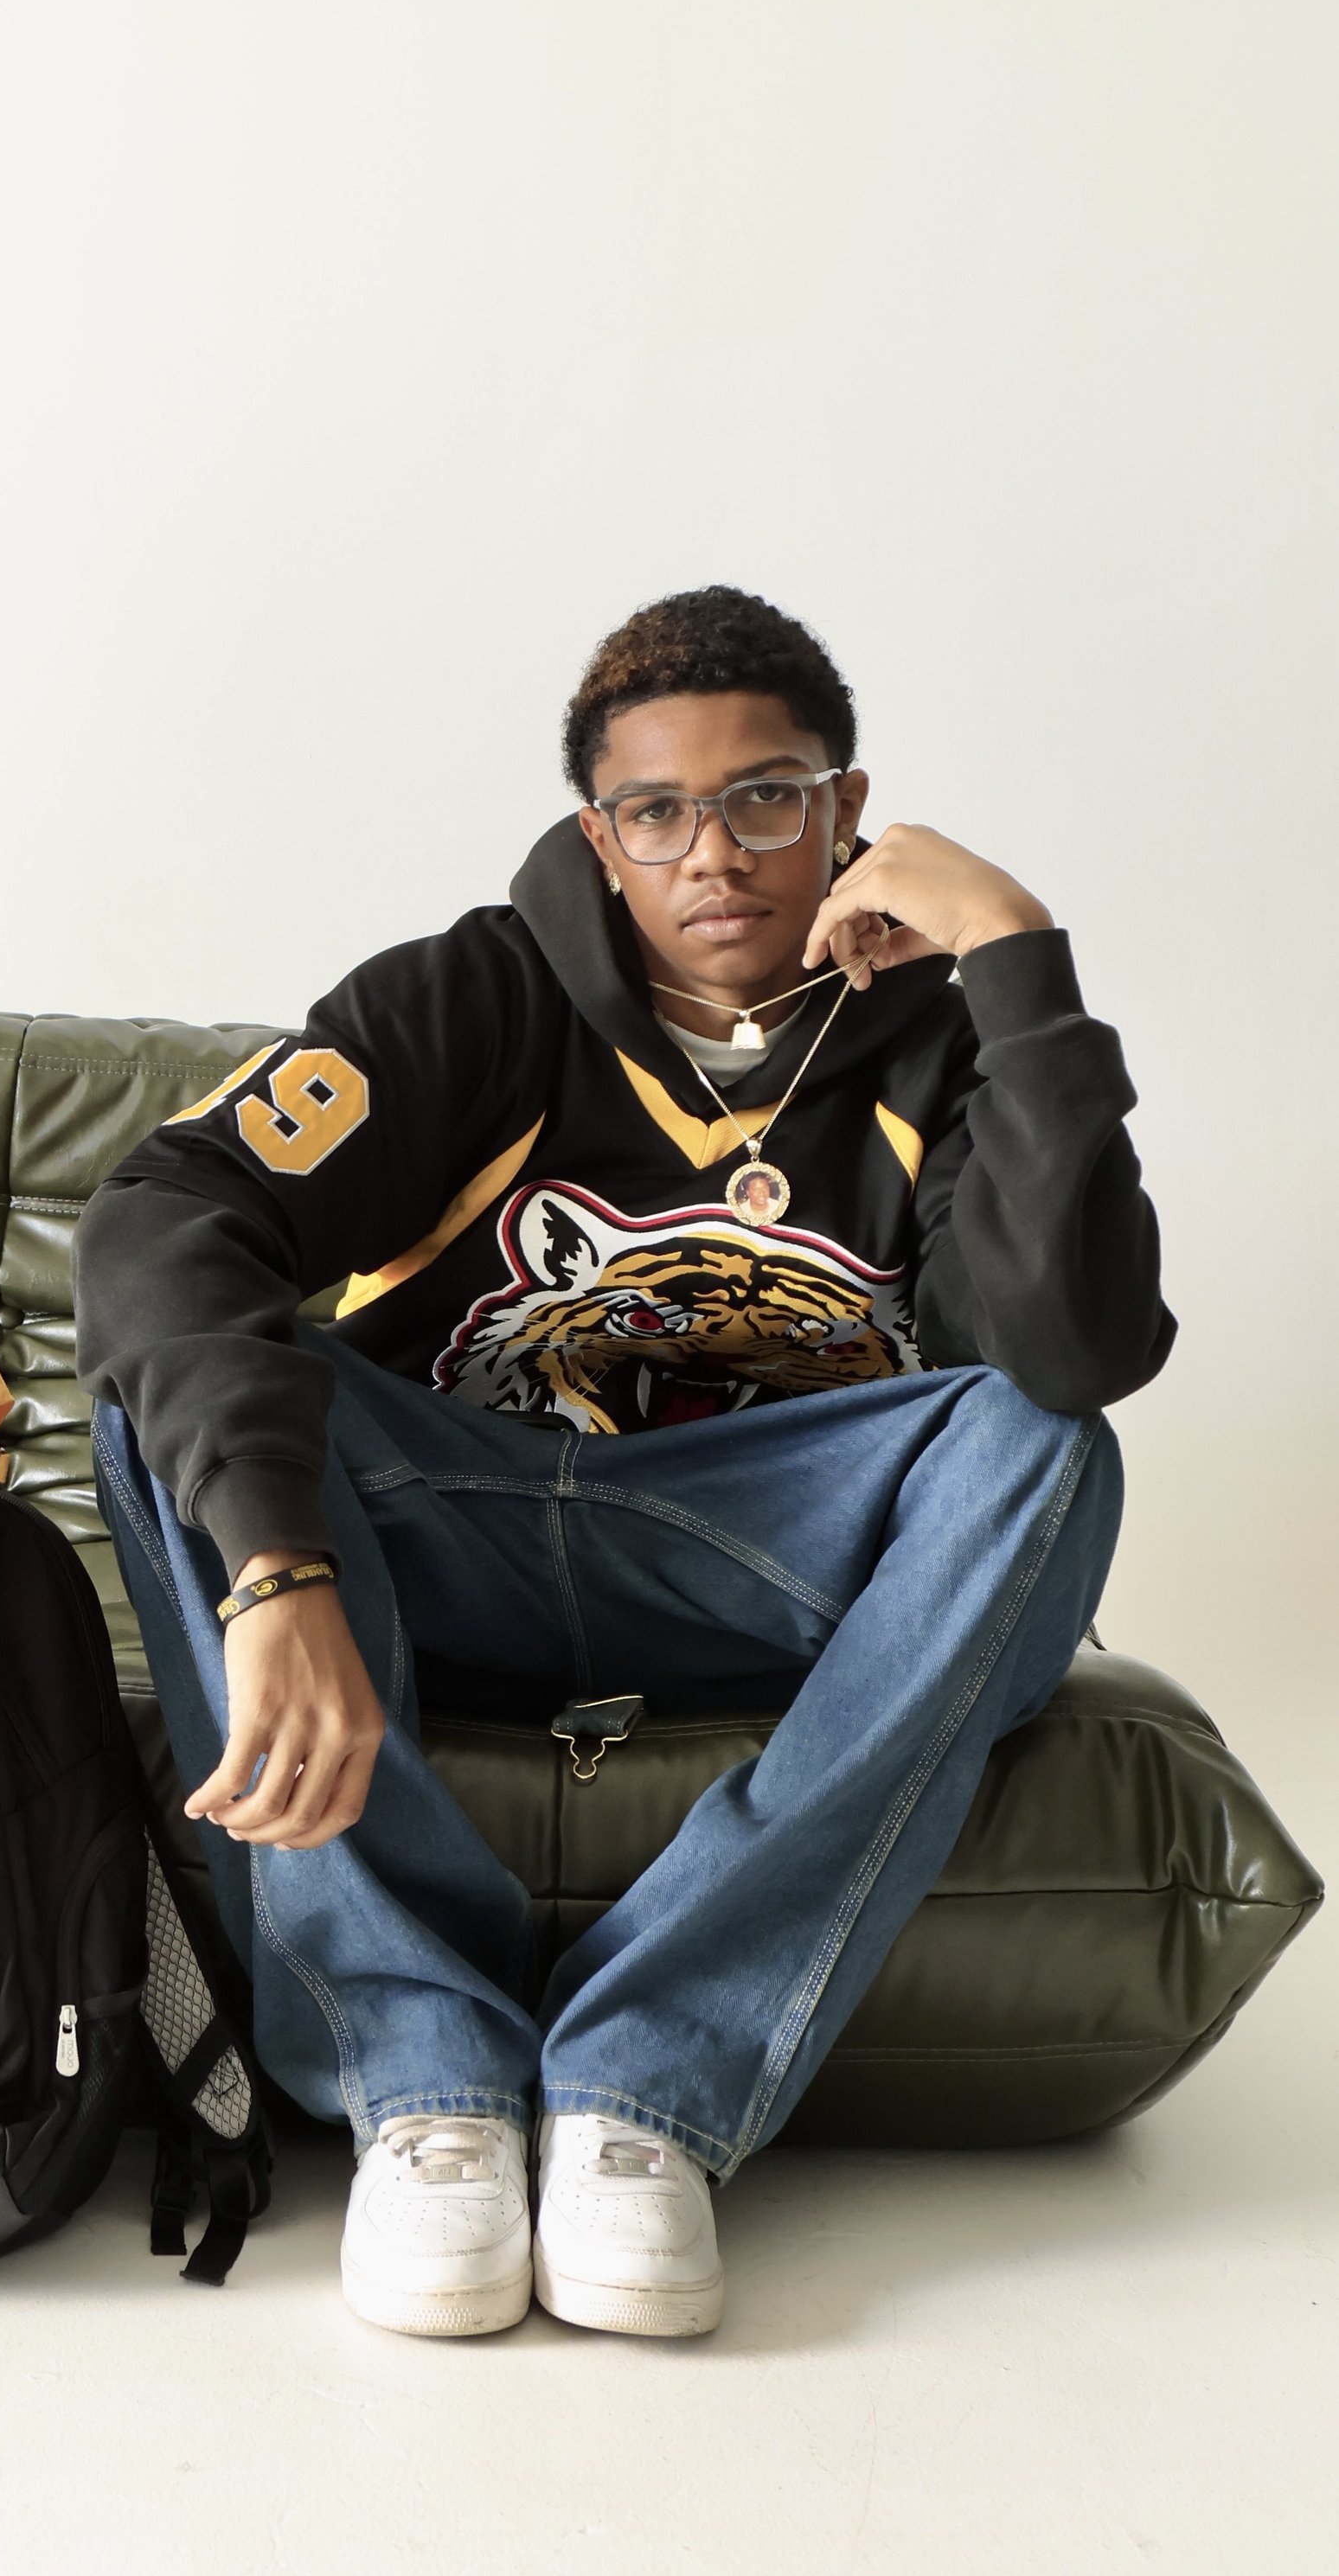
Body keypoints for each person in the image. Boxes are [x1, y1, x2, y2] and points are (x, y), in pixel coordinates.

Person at [75, 585, 1169, 2342]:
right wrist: (276, 1569)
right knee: (171, 1380)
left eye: (765, 796)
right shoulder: (468, 1001)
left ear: (842, 809)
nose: (711, 852)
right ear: (600, 833)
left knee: (1043, 1446)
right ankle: (419, 2079)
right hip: (459, 1522)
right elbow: (160, 1225)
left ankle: (642, 2090)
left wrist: (1015, 954)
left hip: (766, 1561)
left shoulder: (942, 1037)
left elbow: (1069, 1353)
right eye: (655, 811)